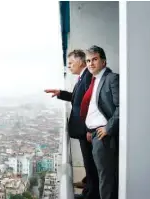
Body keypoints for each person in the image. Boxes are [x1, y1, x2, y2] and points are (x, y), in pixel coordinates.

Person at [45, 49, 99, 199]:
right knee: (88, 162)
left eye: (70, 63)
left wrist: (89, 129)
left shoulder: (88, 77)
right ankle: (89, 188)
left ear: (81, 62)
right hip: (83, 129)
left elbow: (91, 105)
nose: (69, 66)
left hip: (86, 129)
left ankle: (92, 194)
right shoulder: (82, 78)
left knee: (90, 163)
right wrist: (60, 93)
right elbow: (78, 100)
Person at [82, 45, 119, 199]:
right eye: (88, 60)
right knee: (102, 174)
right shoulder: (95, 79)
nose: (91, 63)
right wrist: (90, 130)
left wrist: (108, 128)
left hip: (104, 135)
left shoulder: (111, 78)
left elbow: (122, 107)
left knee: (106, 177)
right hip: (95, 133)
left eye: (95, 59)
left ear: (103, 61)